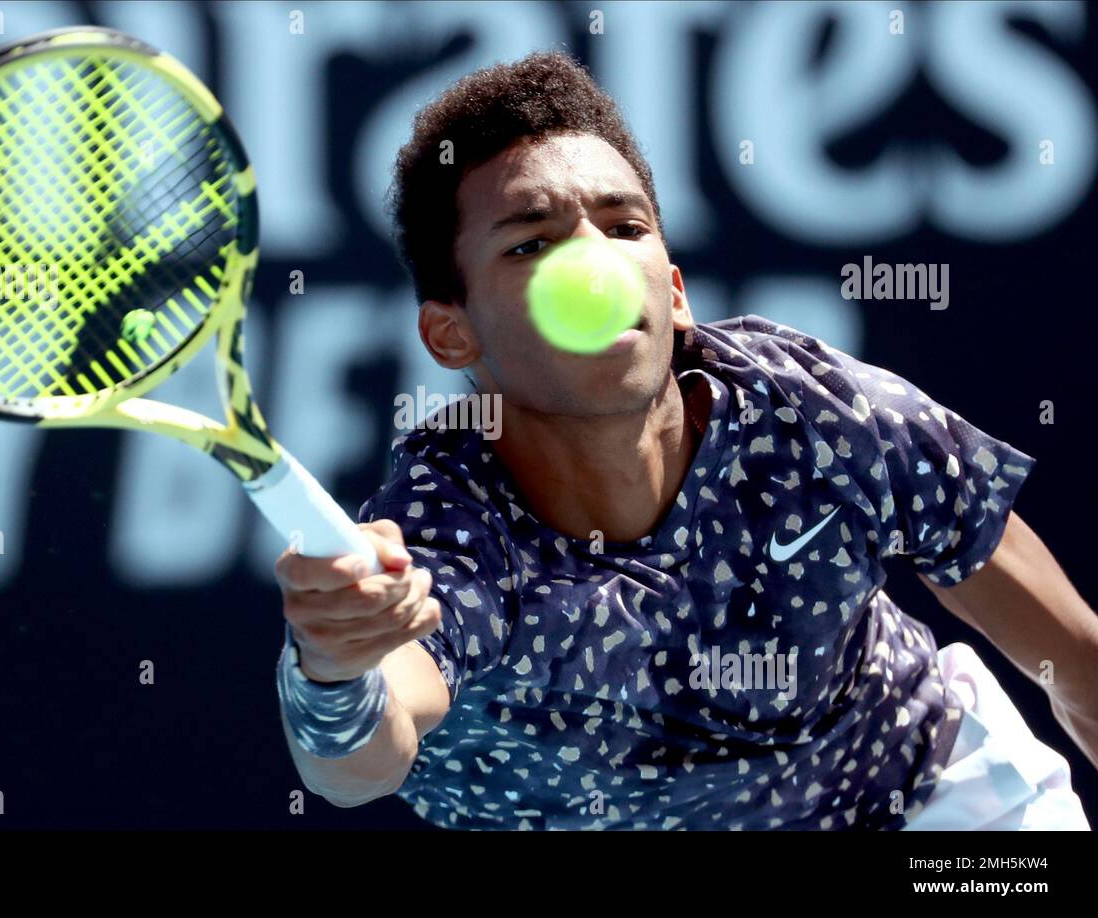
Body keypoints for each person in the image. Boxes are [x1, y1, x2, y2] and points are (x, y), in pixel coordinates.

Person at [273, 51, 1096, 830]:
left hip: (922, 801)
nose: (596, 267)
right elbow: (360, 767)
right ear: (451, 336)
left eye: (625, 227)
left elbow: (1078, 664)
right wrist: (336, 668)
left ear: (674, 291)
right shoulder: (447, 521)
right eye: (529, 244)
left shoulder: (821, 417)